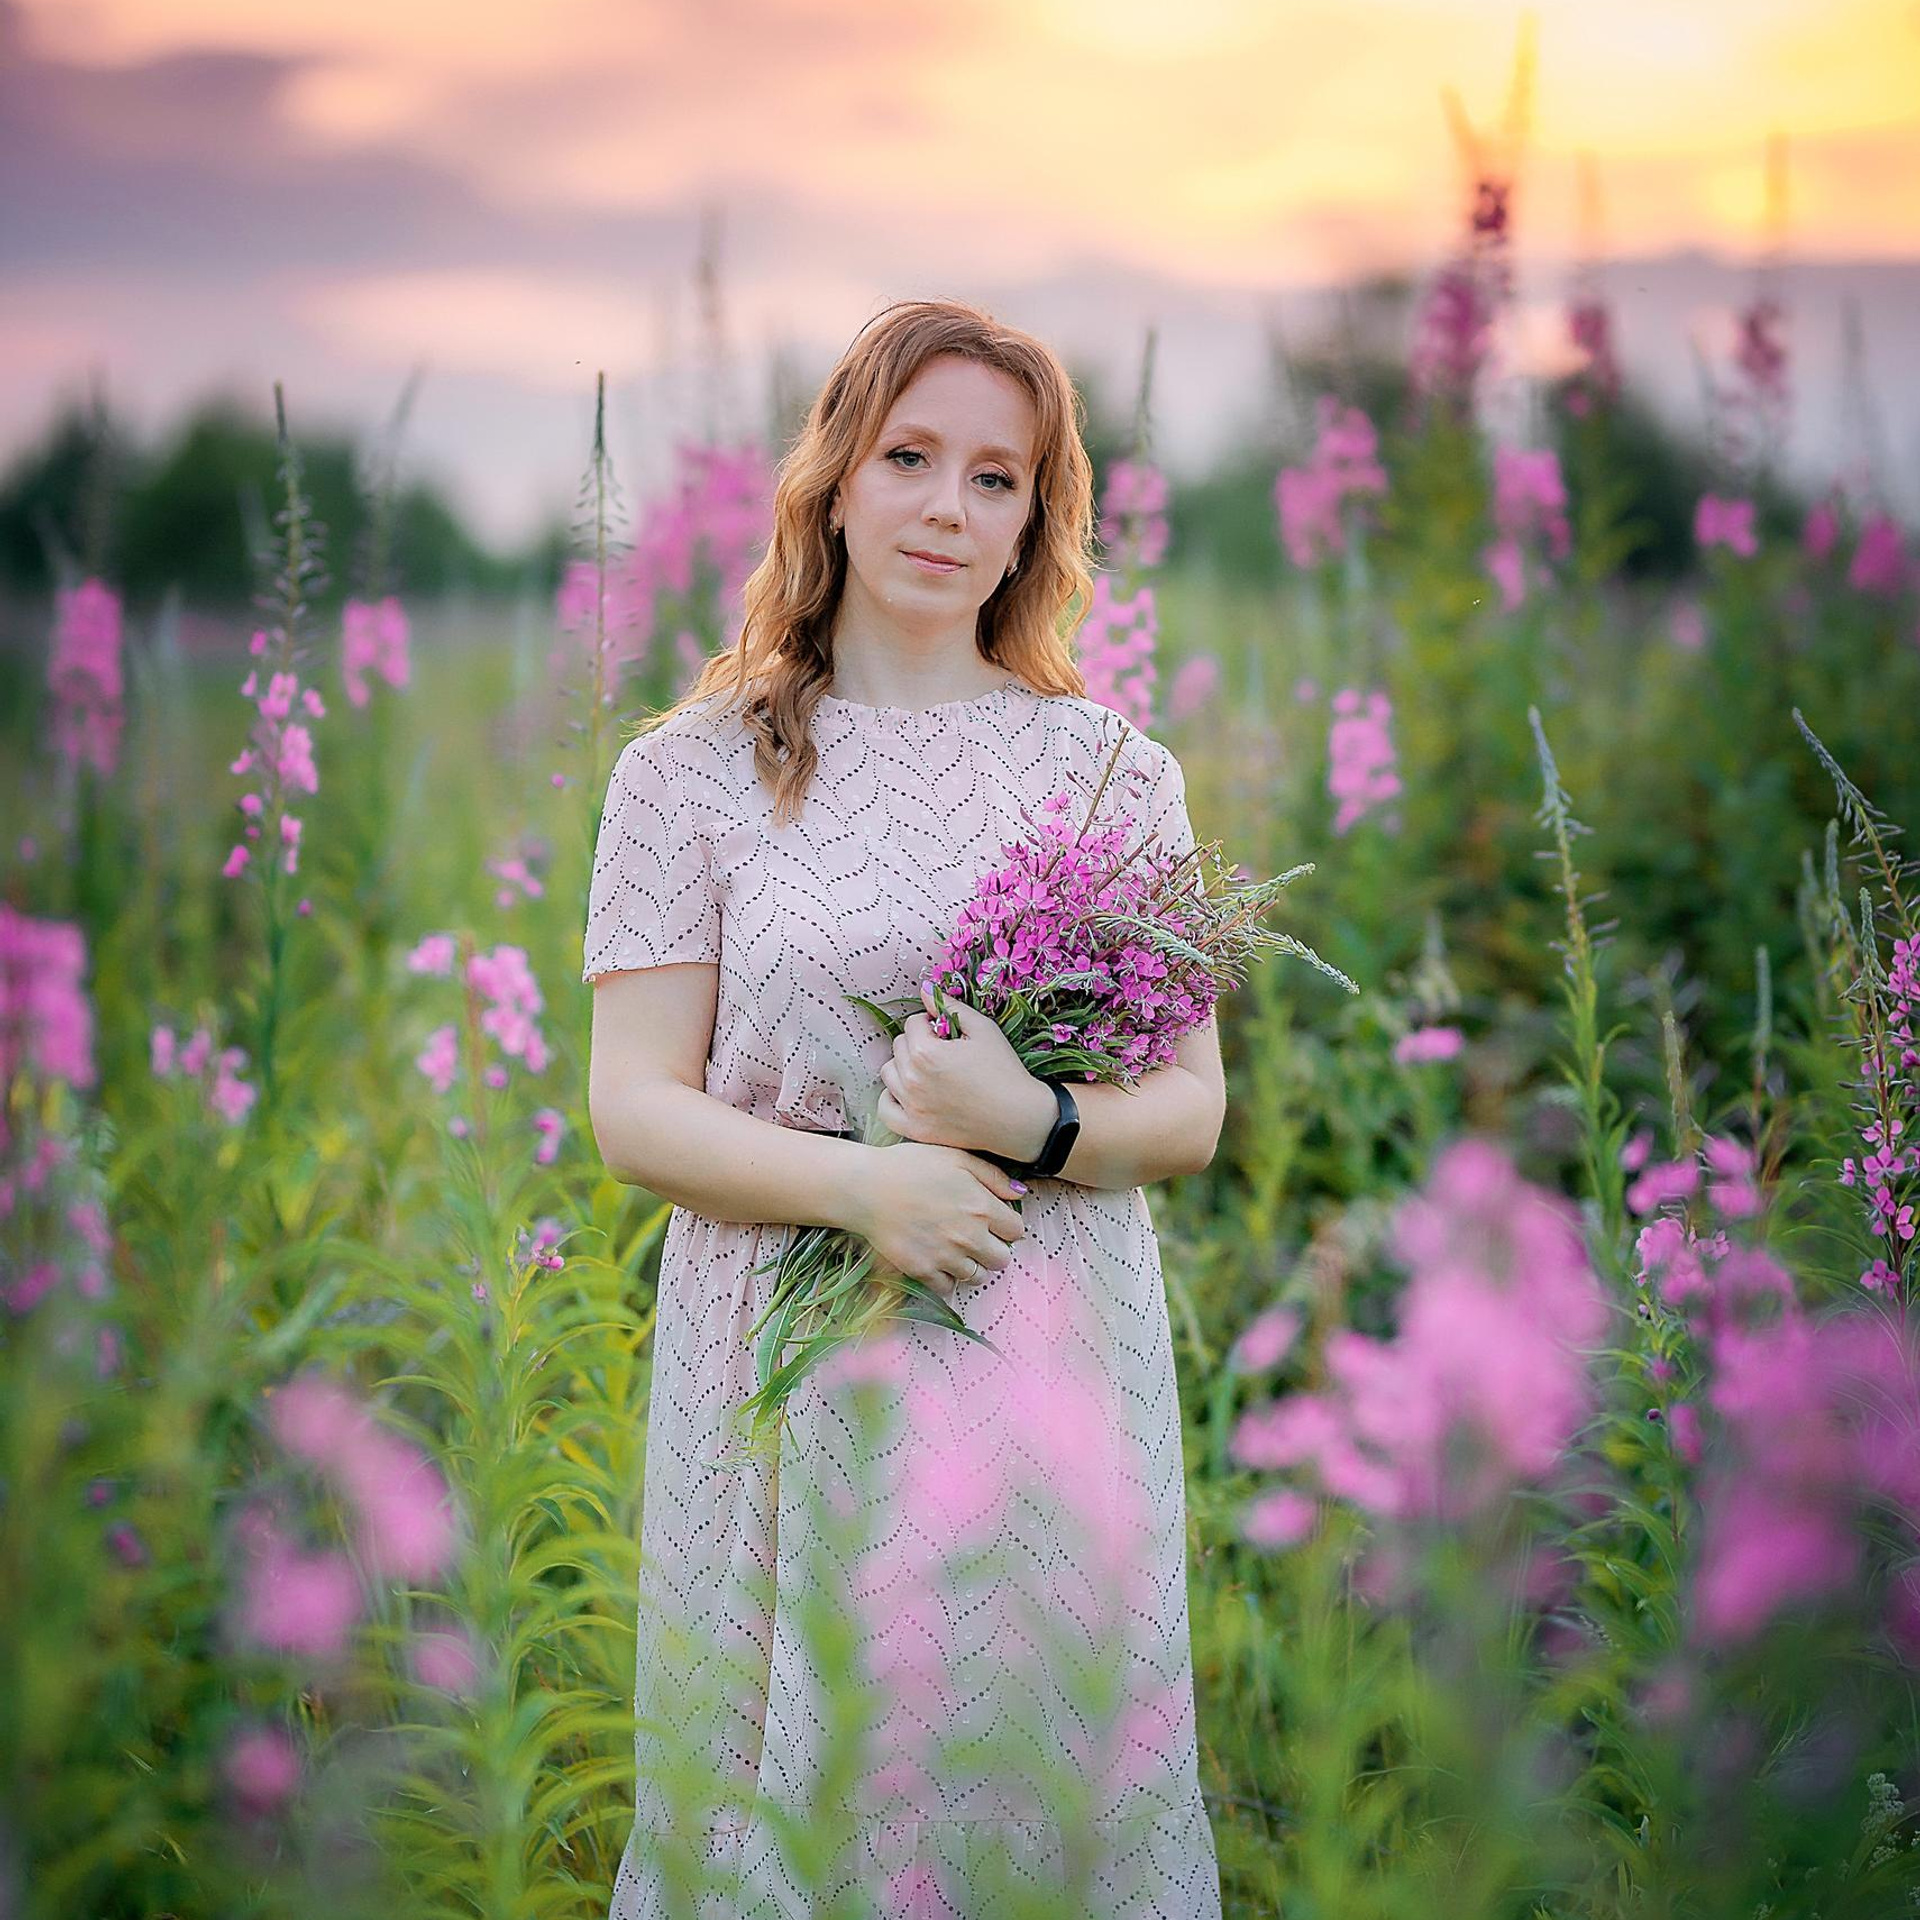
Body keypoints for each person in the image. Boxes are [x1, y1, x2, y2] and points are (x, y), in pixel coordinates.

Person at [583, 295, 1225, 1918]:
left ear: (1036, 519)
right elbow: (635, 1112)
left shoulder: (1110, 773)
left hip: (1052, 1354)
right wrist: (867, 1192)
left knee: (1038, 1795)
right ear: (837, 481)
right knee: (796, 1809)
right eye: (912, 457)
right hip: (791, 1372)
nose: (950, 507)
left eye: (997, 478)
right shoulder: (690, 773)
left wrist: (1035, 1120)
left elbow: (1191, 1112)